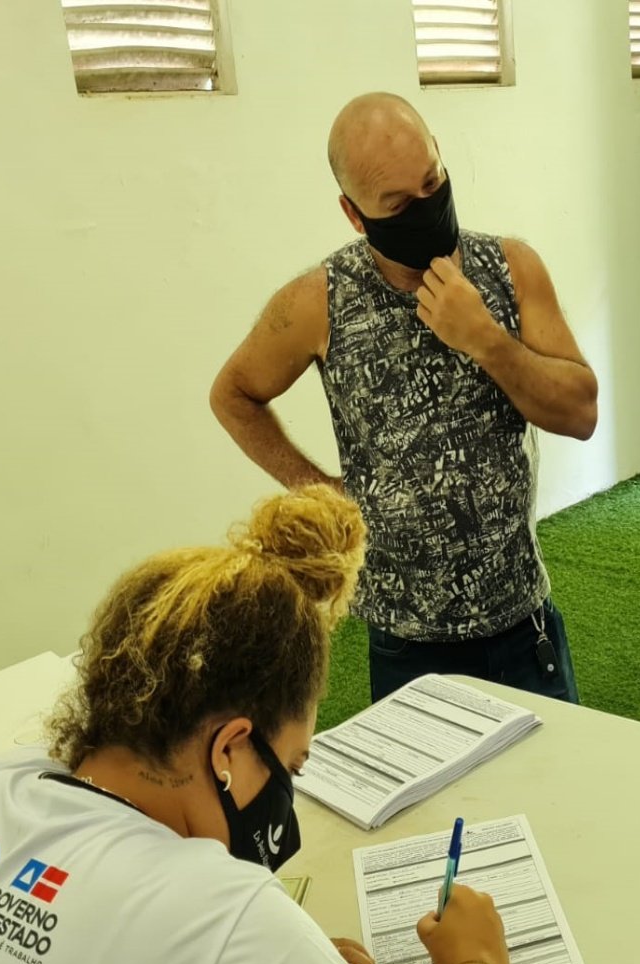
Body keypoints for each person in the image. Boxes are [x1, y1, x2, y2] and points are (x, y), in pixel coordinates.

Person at [0, 486, 513, 964]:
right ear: (228, 750)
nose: (286, 790)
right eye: (290, 766)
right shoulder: (231, 918)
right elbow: (212, 939)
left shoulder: (4, 780)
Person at [210, 92, 597, 704]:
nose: (424, 209)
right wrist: (314, 485)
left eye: (432, 183)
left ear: (439, 156)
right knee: (431, 806)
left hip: (522, 621)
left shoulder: (511, 268)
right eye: (397, 204)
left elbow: (581, 413)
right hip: (407, 642)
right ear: (355, 214)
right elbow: (233, 394)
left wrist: (487, 341)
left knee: (561, 796)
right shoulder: (320, 302)